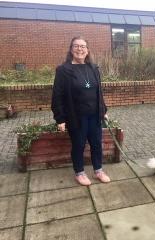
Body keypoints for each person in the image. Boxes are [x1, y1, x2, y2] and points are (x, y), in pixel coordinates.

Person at [51, 36, 110, 186]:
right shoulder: (63, 70)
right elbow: (57, 96)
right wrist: (60, 119)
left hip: (94, 115)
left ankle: (98, 170)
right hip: (76, 117)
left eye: (83, 46)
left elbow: (99, 92)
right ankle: (80, 172)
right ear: (71, 50)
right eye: (76, 46)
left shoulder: (94, 68)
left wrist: (103, 110)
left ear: (87, 50)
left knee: (96, 144)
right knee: (79, 144)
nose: (80, 49)